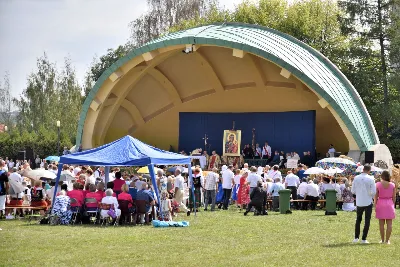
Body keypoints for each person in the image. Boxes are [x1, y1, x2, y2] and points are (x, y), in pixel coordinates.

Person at [351, 165, 376, 244]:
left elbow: (353, 191)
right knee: (367, 220)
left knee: (358, 220)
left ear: (363, 169)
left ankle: (356, 237)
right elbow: (373, 192)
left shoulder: (356, 178)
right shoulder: (371, 178)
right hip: (368, 201)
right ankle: (364, 239)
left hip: (359, 201)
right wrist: (369, 195)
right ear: (369, 170)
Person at [374, 170, 396, 244]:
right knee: (389, 224)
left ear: (382, 176)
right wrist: (392, 204)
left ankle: (382, 240)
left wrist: (375, 205)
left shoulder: (378, 184)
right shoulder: (392, 185)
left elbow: (376, 196)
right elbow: (394, 197)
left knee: (381, 224)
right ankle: (387, 240)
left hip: (380, 203)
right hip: (389, 203)